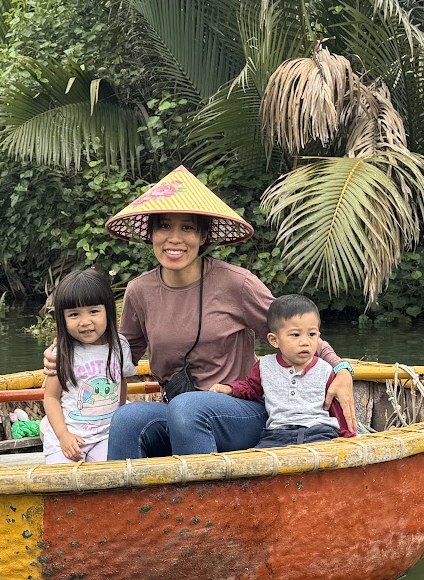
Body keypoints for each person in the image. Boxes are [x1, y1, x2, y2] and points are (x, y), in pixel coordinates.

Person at [46, 165, 353, 458]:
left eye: (188, 228)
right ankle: (125, 507)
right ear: (150, 233)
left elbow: (294, 331)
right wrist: (65, 349)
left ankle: (203, 507)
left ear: (203, 236)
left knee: (188, 408)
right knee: (128, 416)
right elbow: (116, 352)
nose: (175, 238)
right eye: (164, 226)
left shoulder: (237, 283)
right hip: (177, 407)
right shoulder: (139, 290)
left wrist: (340, 369)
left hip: (241, 409)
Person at [210, 294, 357, 447]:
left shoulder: (325, 370)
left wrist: (350, 438)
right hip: (276, 435)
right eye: (295, 335)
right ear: (274, 340)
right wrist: (229, 388)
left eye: (312, 334)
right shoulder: (264, 366)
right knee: (258, 464)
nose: (305, 342)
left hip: (318, 433)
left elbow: (338, 410)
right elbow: (251, 388)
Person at [41, 268, 137, 464]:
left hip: (106, 436)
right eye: (74, 314)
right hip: (68, 438)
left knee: (117, 473)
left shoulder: (120, 346)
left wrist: (118, 422)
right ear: (63, 318)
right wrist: (63, 435)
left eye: (94, 311)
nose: (85, 322)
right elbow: (50, 397)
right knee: (63, 482)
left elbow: (122, 383)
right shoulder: (62, 352)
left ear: (108, 311)